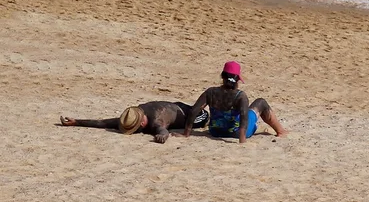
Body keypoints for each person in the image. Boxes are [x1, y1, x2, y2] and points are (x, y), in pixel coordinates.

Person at [183, 61, 287, 143]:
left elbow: (194, 111)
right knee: (261, 102)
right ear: (237, 80)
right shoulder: (240, 96)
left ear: (222, 76)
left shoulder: (210, 92)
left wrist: (186, 134)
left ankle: (280, 132)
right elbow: (244, 118)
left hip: (215, 131)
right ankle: (281, 132)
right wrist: (242, 140)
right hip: (236, 133)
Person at [60, 101, 209, 144]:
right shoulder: (132, 116)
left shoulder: (155, 120)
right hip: (174, 106)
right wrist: (77, 122)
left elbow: (163, 131)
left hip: (188, 114)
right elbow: (103, 123)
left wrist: (162, 137)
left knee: (204, 117)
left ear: (141, 124)